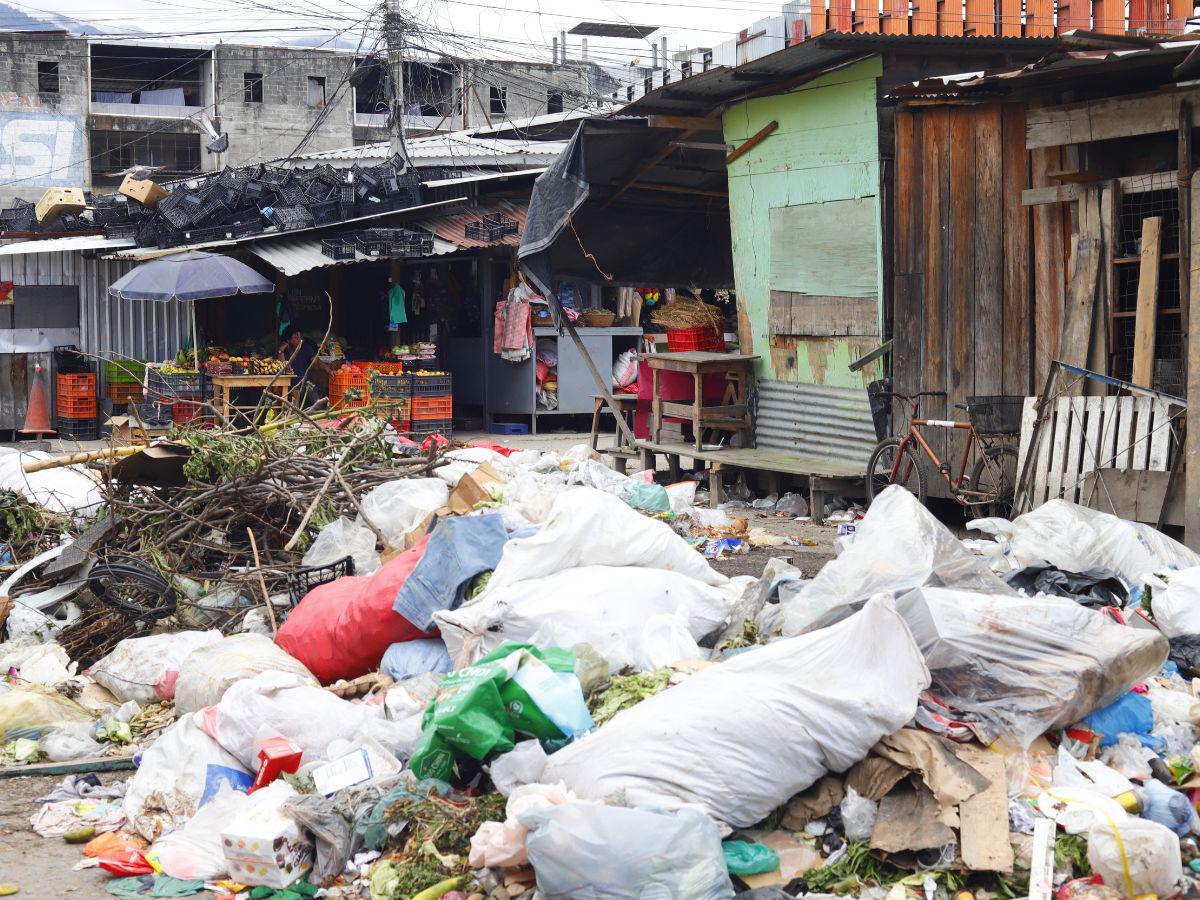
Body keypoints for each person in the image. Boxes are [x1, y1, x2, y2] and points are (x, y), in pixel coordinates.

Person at [280, 325, 329, 405]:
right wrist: (281, 351)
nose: (299, 340)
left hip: (306, 383)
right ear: (288, 341)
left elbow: (317, 361)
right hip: (290, 385)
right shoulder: (284, 352)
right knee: (294, 398)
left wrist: (329, 370)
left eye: (299, 337)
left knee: (316, 403)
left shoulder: (306, 348)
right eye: (296, 338)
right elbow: (281, 367)